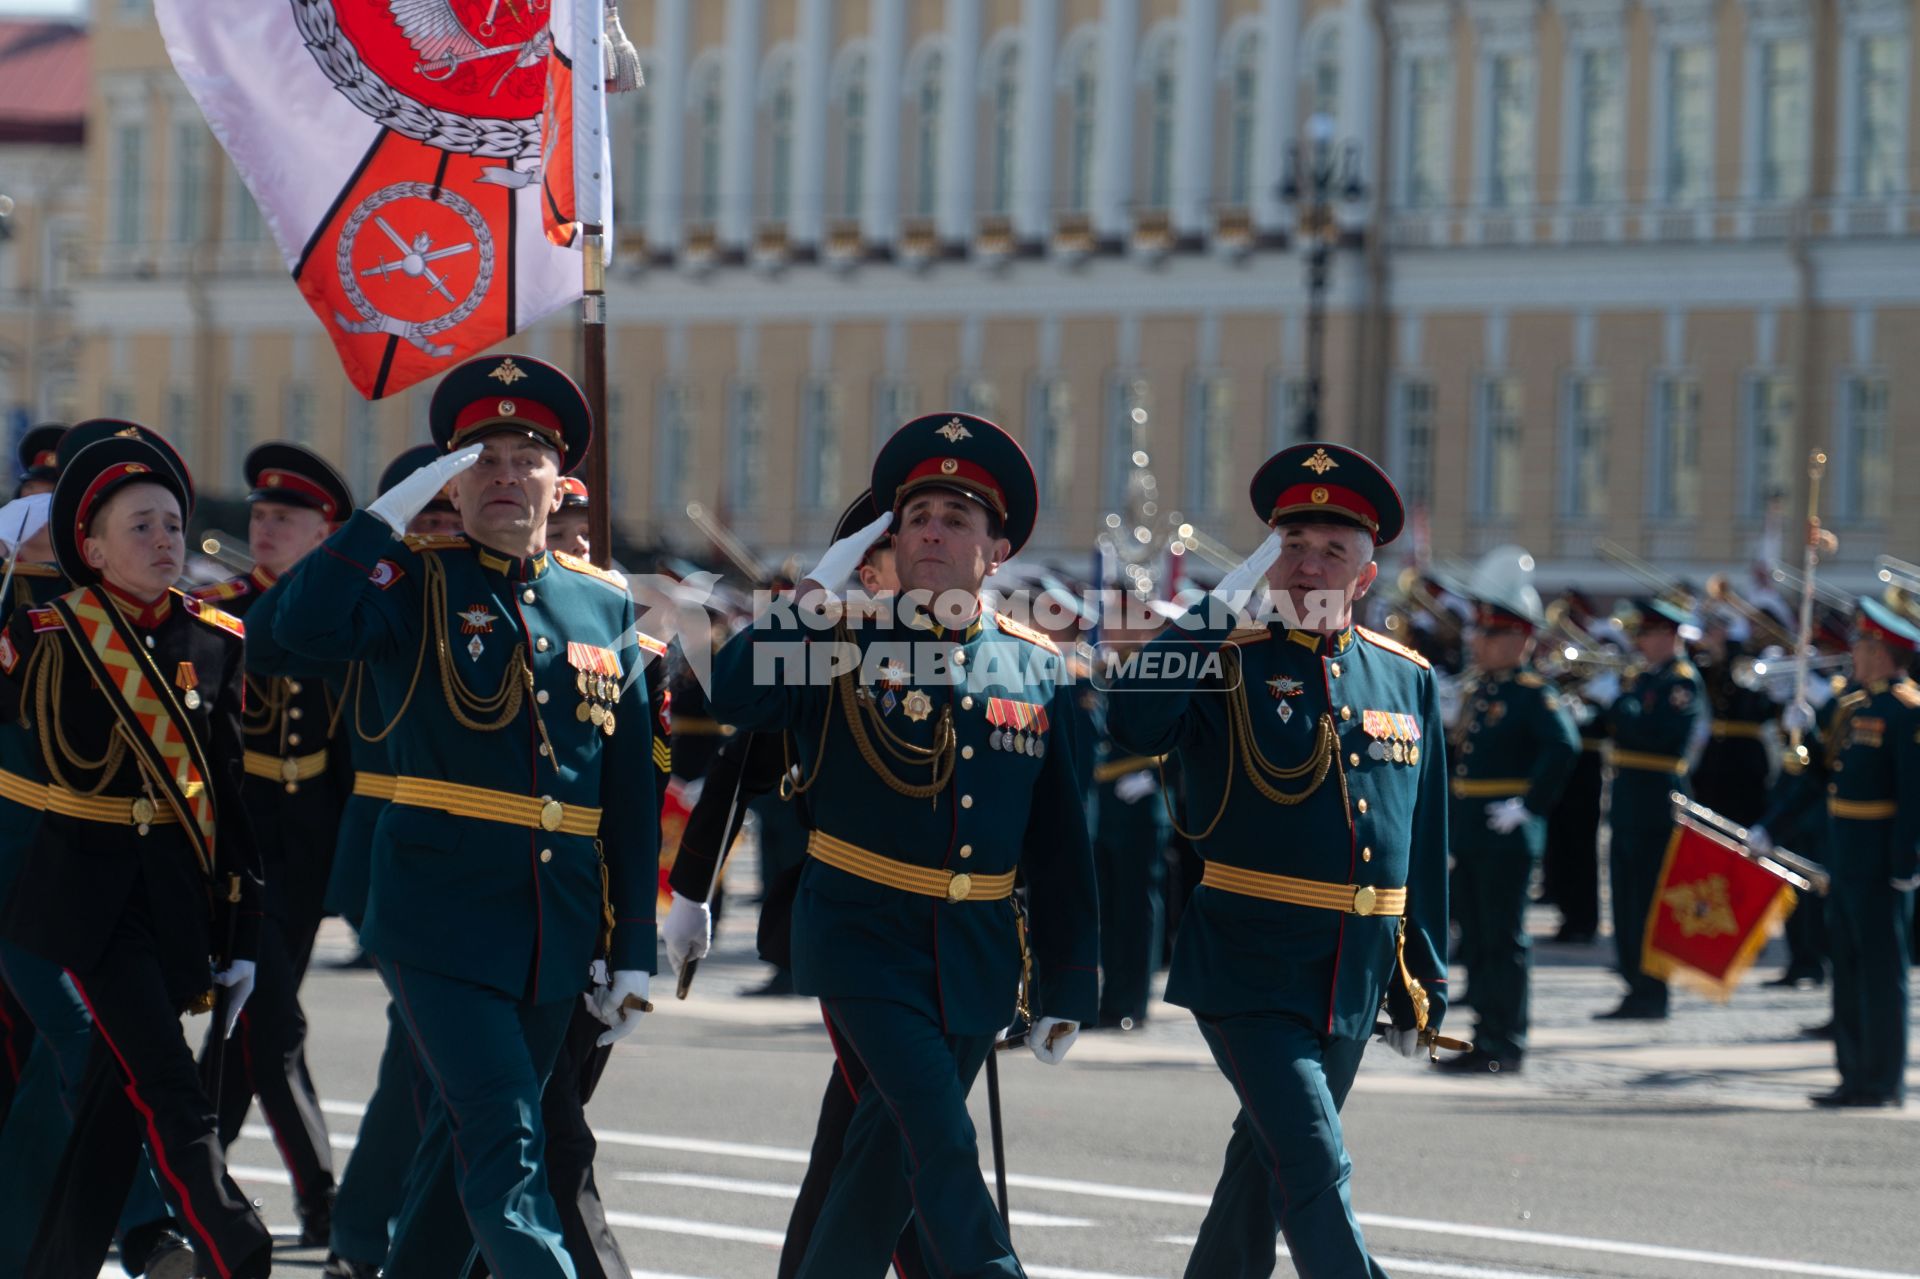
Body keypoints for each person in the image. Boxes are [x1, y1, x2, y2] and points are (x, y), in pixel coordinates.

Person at [684, 414, 1098, 1278]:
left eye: (958, 518)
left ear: (996, 550)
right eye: (916, 518)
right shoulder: (834, 642)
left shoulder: (1036, 667)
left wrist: (1067, 977)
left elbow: (1060, 842)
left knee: (880, 1162)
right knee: (941, 1138)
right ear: (891, 540)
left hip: (978, 953)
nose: (934, 532)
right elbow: (733, 697)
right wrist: (815, 588)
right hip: (861, 937)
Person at [272, 353, 659, 1276]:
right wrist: (385, 516)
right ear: (450, 474)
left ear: (561, 482)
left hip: (554, 930)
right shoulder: (411, 580)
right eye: (481, 457)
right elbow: (300, 628)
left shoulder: (602, 604)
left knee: (453, 1172)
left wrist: (634, 941)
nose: (504, 476)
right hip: (434, 915)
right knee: (503, 1132)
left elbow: (631, 794)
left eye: (527, 457)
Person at [1105, 441, 1450, 1279]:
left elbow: (1427, 844)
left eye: (1334, 550)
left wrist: (1426, 980)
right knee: (1312, 1166)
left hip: (1356, 972)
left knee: (1260, 1174)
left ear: (1366, 577)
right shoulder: (1225, 658)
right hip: (1250, 967)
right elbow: (1132, 722)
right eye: (1292, 544)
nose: (1309, 564)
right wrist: (1213, 609)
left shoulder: (1405, 678)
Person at [1, 428, 271, 1278]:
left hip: (177, 905)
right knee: (167, 1086)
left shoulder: (216, 640)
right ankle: (240, 1251)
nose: (164, 543)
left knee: (116, 1108)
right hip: (83, 909)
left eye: (172, 525)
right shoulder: (47, 636)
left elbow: (231, 801)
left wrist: (245, 934)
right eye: (139, 527)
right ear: (88, 546)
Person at [192, 442, 350, 1244]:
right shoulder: (220, 608)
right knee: (267, 1018)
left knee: (255, 1019)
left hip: (316, 831)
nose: (265, 529)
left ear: (327, 530)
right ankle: (318, 1196)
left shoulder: (346, 615)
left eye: (286, 518)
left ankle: (191, 1180)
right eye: (258, 515)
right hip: (245, 828)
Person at [1751, 599, 1919, 1108]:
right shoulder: (1849, 708)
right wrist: (1771, 826)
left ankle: (1882, 1080)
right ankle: (1852, 1073)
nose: (1855, 654)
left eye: (1864, 647)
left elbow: (1914, 795)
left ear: (1886, 653)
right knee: (1846, 966)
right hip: (1844, 854)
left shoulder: (1907, 711)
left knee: (1880, 971)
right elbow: (1817, 778)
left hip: (1881, 858)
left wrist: (1906, 862)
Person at [1441, 584, 1578, 1074]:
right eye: (1479, 630)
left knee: (1503, 938)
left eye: (1491, 632)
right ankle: (1485, 1033)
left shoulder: (1533, 695)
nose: (1478, 640)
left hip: (1506, 829)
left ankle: (1506, 1041)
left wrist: (1529, 805)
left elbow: (1564, 748)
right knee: (1476, 936)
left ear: (1520, 640)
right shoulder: (1481, 689)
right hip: (1473, 829)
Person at [1595, 599, 1708, 1022]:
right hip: (1627, 799)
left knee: (1647, 899)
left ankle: (1651, 990)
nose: (1639, 641)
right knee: (1624, 899)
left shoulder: (1681, 683)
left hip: (1657, 799)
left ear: (1668, 636)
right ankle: (1632, 982)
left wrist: (1618, 705)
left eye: (1647, 633)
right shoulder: (1643, 678)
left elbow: (1660, 737)